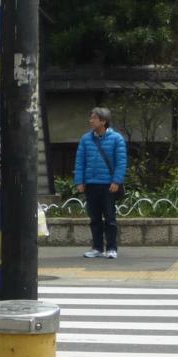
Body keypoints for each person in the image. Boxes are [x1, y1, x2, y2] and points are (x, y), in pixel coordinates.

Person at [73, 107, 129, 259]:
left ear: (103, 121)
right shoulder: (85, 139)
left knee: (110, 218)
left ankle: (111, 248)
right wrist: (79, 181)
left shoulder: (117, 139)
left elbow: (121, 162)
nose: (91, 121)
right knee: (94, 218)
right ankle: (97, 247)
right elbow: (80, 162)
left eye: (94, 118)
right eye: (91, 118)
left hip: (108, 184)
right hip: (91, 183)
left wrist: (116, 181)